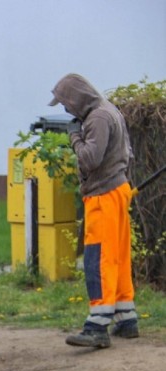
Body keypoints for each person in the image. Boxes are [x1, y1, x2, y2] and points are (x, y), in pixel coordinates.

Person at [48, 73, 137, 349]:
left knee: (97, 260)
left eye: (66, 104)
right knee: (117, 258)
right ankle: (126, 318)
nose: (66, 110)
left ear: (76, 99)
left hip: (102, 196)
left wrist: (74, 137)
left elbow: (90, 159)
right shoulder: (110, 111)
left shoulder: (97, 118)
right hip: (118, 192)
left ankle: (97, 326)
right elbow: (127, 153)